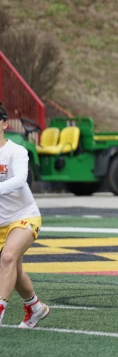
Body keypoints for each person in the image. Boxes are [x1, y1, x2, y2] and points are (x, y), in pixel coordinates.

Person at [0, 104, 49, 329]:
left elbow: (20, 180)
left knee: (8, 258)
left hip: (24, 216)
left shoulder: (16, 151)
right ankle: (35, 307)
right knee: (14, 270)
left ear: (5, 124)